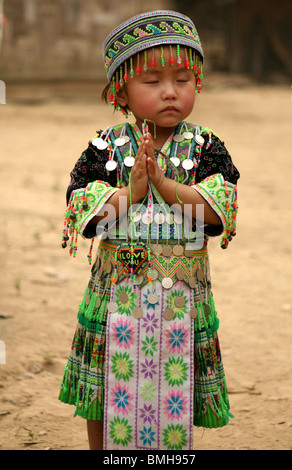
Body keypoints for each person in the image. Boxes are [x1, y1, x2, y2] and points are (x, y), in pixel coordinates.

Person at [58, 10, 240, 451]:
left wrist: (164, 184)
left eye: (183, 78)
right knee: (103, 385)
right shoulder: (104, 148)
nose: (170, 92)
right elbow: (82, 212)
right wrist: (131, 192)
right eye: (152, 81)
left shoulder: (207, 148)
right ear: (120, 90)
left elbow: (219, 212)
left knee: (172, 381)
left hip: (182, 296)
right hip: (116, 289)